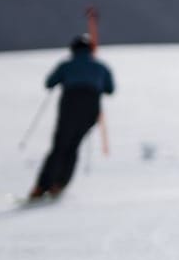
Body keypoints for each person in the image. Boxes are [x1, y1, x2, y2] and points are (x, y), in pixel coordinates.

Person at [29, 34, 115, 200]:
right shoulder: (101, 67)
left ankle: (41, 187)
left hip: (70, 107)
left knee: (60, 146)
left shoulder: (66, 65)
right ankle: (59, 185)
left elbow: (49, 83)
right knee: (73, 147)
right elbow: (109, 89)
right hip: (90, 110)